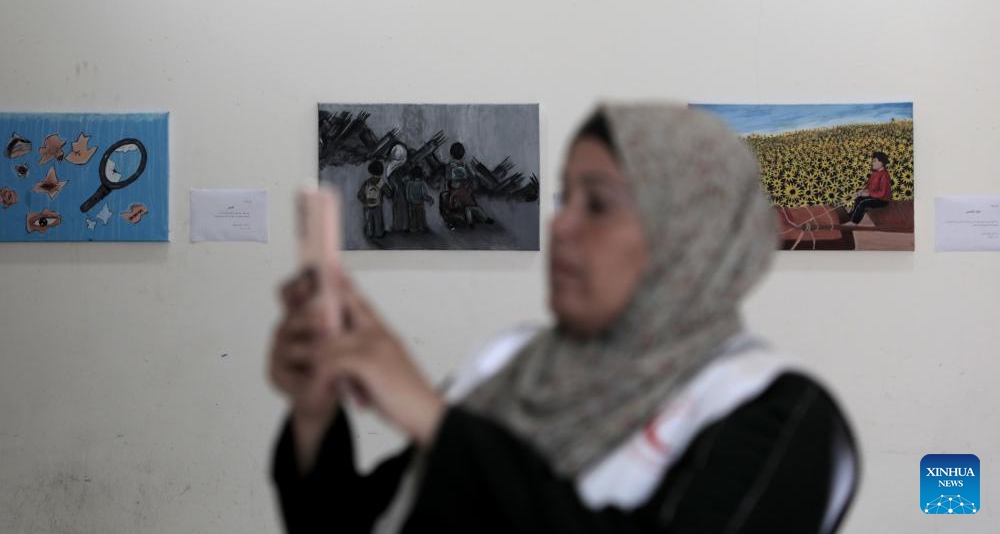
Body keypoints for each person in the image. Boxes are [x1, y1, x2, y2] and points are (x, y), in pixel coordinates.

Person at [269, 104, 860, 533]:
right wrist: (315, 413)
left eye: (597, 203)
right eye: (564, 197)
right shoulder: (507, 365)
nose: (560, 225)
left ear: (690, 234)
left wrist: (438, 425)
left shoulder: (775, 412)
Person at [845, 152, 892, 225]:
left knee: (862, 203)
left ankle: (854, 222)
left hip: (882, 200)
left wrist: (869, 193)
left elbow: (883, 193)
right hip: (874, 197)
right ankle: (850, 217)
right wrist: (862, 191)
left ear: (882, 162)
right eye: (872, 161)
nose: (872, 163)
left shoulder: (885, 175)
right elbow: (868, 186)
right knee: (858, 199)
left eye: (874, 161)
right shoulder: (874, 173)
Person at [356, 161, 392, 239]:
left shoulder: (367, 182)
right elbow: (389, 193)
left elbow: (359, 195)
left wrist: (364, 201)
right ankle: (379, 233)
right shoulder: (381, 182)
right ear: (381, 171)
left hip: (367, 205)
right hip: (378, 205)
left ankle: (369, 233)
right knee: (378, 220)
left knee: (368, 220)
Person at [403, 166, 434, 234]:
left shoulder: (409, 183)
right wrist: (429, 199)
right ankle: (421, 227)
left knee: (413, 216)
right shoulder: (422, 183)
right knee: (421, 215)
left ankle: (413, 228)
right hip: (420, 203)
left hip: (411, 203)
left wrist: (409, 200)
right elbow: (424, 194)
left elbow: (407, 193)